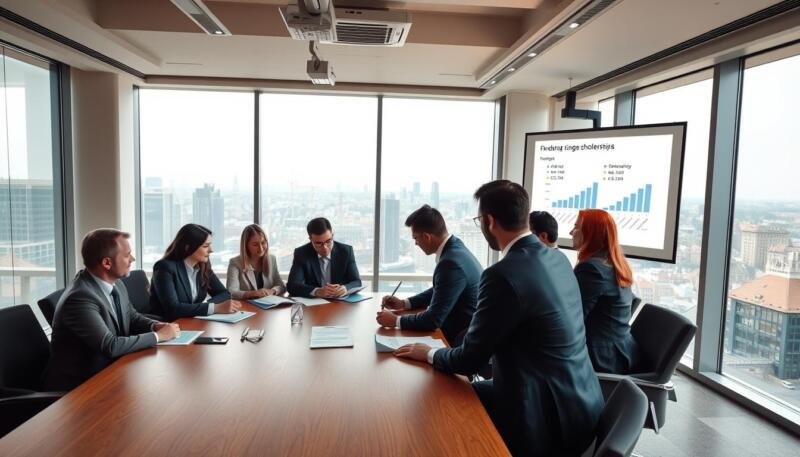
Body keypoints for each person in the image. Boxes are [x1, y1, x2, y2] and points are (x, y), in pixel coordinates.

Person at [394, 180, 603, 457]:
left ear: (489, 221)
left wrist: (429, 354)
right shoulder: (558, 259)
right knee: (464, 391)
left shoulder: (503, 275)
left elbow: (471, 359)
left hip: (543, 416)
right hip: (582, 403)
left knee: (439, 401)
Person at [43, 229, 180, 391]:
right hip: (79, 388)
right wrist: (159, 336)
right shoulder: (80, 298)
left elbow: (132, 316)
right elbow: (110, 345)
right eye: (127, 255)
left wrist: (155, 325)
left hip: (111, 372)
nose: (132, 259)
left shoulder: (116, 283)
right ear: (107, 263)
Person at [377, 205, 482, 345]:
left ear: (427, 237)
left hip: (457, 341)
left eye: (416, 238)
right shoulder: (456, 247)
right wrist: (404, 303)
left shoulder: (451, 263)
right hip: (462, 331)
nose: (415, 244)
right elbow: (441, 289)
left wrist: (396, 321)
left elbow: (433, 320)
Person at [571, 209, 638, 374]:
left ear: (590, 234)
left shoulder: (591, 269)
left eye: (576, 227)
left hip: (601, 359)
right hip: (622, 352)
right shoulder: (615, 264)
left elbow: (573, 318)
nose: (571, 232)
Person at [150, 223, 240, 321]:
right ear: (188, 248)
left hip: (193, 320)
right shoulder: (164, 268)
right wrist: (215, 308)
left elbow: (224, 293)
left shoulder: (203, 265)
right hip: (168, 325)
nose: (211, 250)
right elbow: (173, 309)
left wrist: (206, 305)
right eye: (206, 246)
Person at [287, 217, 361, 298]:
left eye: (328, 241)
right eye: (319, 243)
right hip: (314, 306)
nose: (325, 247)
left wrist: (345, 288)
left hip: (340, 303)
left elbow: (357, 282)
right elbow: (292, 286)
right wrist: (317, 291)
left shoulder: (346, 251)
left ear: (332, 235)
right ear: (310, 239)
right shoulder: (302, 253)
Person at [227, 224, 286, 299]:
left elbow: (281, 286)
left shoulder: (272, 259)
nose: (261, 249)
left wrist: (272, 291)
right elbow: (231, 292)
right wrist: (252, 293)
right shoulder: (235, 263)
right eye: (255, 245)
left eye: (263, 242)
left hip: (268, 307)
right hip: (247, 307)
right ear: (246, 246)